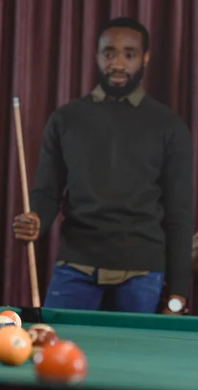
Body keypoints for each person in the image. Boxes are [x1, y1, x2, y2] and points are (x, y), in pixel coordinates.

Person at [12, 17, 193, 314]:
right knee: (57, 355)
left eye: (129, 54)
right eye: (109, 53)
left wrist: (177, 293)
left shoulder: (169, 126)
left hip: (142, 273)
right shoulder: (66, 118)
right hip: (75, 266)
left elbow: (179, 216)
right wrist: (36, 221)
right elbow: (46, 194)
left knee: (132, 360)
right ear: (97, 56)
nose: (118, 63)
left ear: (145, 58)